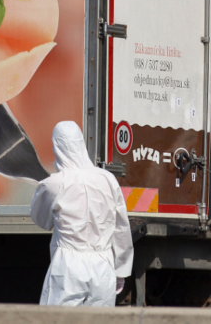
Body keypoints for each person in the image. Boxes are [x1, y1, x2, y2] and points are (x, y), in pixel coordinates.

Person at [31, 121, 133, 306]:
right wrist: (121, 270)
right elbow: (121, 228)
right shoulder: (107, 178)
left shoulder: (53, 184)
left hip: (69, 266)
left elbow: (41, 220)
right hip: (103, 265)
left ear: (57, 147)